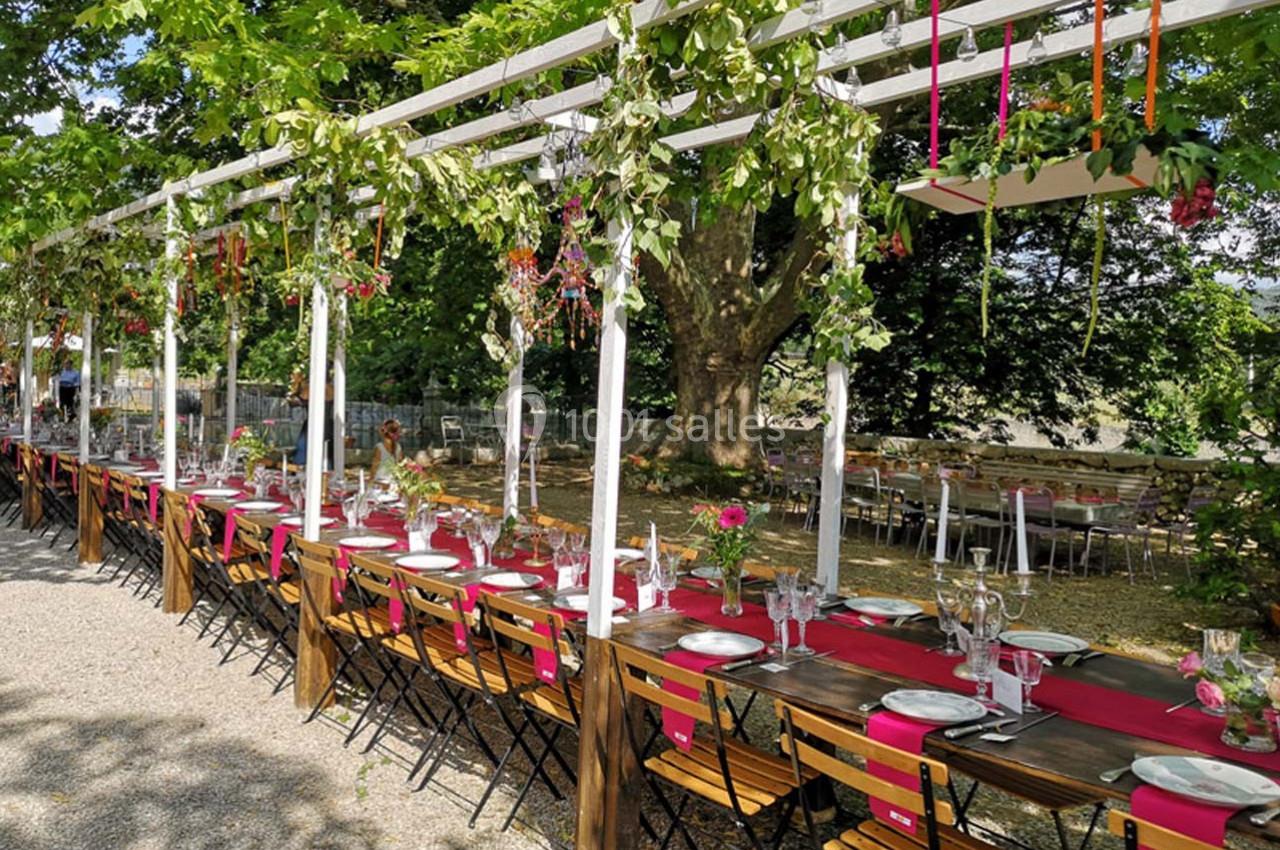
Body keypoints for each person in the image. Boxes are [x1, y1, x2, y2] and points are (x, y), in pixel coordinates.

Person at [289, 370, 335, 468]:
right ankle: (326, 476)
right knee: (326, 453)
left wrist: (298, 383)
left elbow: (293, 401)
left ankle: (302, 474)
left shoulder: (310, 388)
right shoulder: (332, 388)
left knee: (305, 450)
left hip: (313, 425)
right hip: (327, 425)